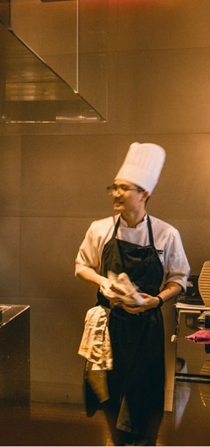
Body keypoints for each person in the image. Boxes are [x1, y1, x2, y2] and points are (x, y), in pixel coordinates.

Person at [75, 142, 190, 445]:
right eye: (113, 187)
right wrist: (102, 282)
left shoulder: (166, 234)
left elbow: (179, 279)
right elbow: (81, 266)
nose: (116, 193)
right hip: (110, 325)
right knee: (111, 393)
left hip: (147, 326)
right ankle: (116, 440)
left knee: (145, 394)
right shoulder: (100, 229)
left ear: (144, 194)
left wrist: (157, 300)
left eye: (123, 188)